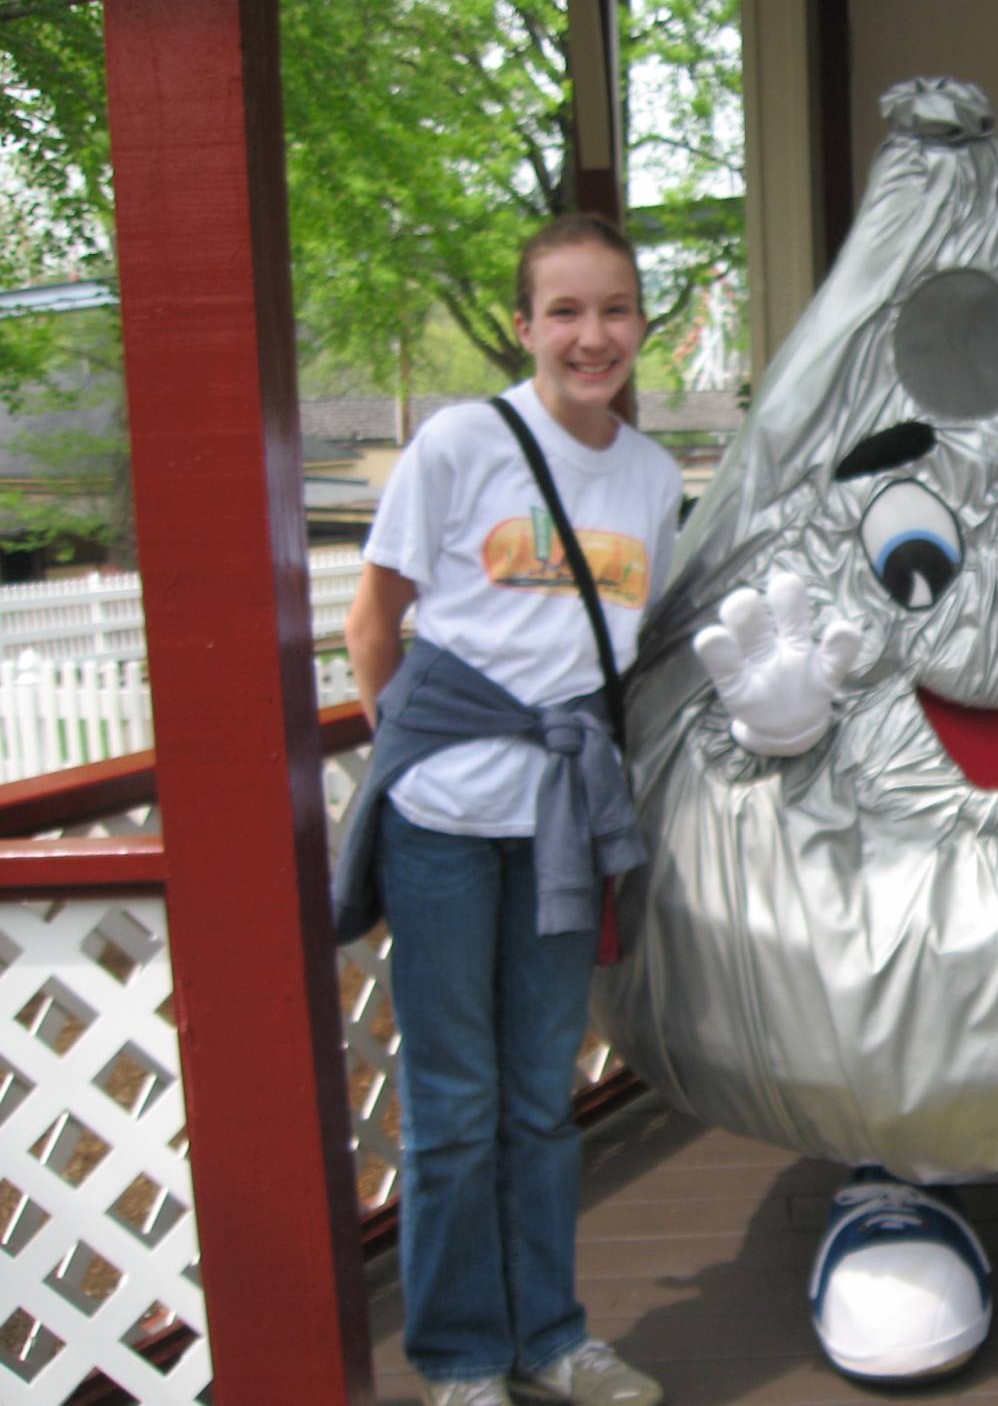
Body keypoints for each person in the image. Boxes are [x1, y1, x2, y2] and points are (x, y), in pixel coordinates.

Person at [336, 214, 682, 1406]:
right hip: (441, 817)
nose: (594, 337)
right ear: (526, 326)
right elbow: (373, 624)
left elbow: (635, 654)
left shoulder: (648, 479)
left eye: (616, 310)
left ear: (643, 322)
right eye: (567, 313)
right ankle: (462, 1359)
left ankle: (552, 1337)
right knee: (451, 1102)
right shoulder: (460, 444)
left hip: (559, 823)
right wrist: (416, 752)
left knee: (540, 1095)